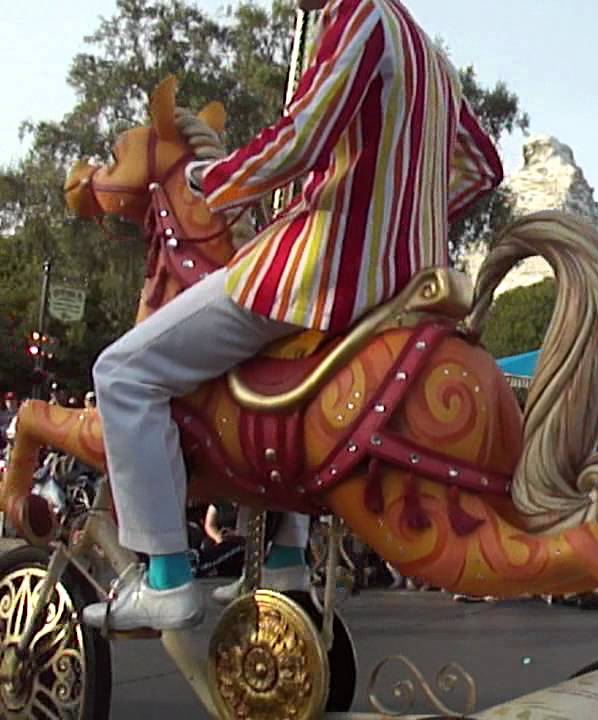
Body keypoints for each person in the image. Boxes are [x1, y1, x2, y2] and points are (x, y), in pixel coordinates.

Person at [82, 0, 504, 632]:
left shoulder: (359, 18)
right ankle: (284, 558)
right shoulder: (431, 57)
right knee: (277, 381)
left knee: (123, 371)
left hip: (324, 269)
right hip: (406, 280)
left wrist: (211, 180)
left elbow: (302, 137)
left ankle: (165, 575)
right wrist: (406, 216)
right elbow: (482, 168)